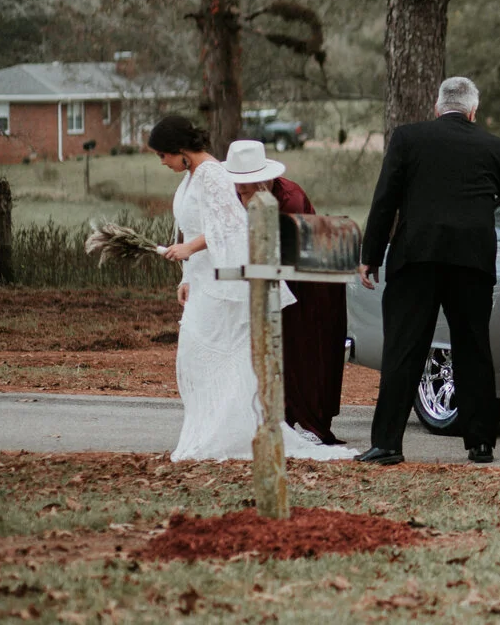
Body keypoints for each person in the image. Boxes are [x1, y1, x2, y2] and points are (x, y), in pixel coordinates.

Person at [355, 77, 500, 466]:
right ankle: (480, 444)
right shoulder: (493, 147)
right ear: (472, 111)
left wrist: (371, 255)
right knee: (473, 348)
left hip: (416, 258)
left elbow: (386, 200)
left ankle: (387, 444)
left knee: (403, 348)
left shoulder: (407, 139)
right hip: (471, 261)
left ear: (437, 107)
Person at [149, 114, 354, 462]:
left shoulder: (215, 175)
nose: (162, 162)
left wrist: (188, 250)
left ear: (181, 150)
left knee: (221, 358)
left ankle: (235, 430)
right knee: (197, 358)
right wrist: (186, 274)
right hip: (203, 277)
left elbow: (231, 228)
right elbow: (198, 226)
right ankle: (214, 428)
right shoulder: (194, 176)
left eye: (163, 155)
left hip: (245, 280)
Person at [225, 139, 348, 446]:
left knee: (307, 349)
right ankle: (283, 414)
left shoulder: (288, 199)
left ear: (261, 180)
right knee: (280, 349)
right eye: (237, 188)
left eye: (244, 188)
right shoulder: (240, 195)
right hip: (275, 275)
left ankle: (313, 423)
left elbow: (288, 248)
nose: (239, 194)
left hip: (311, 277)